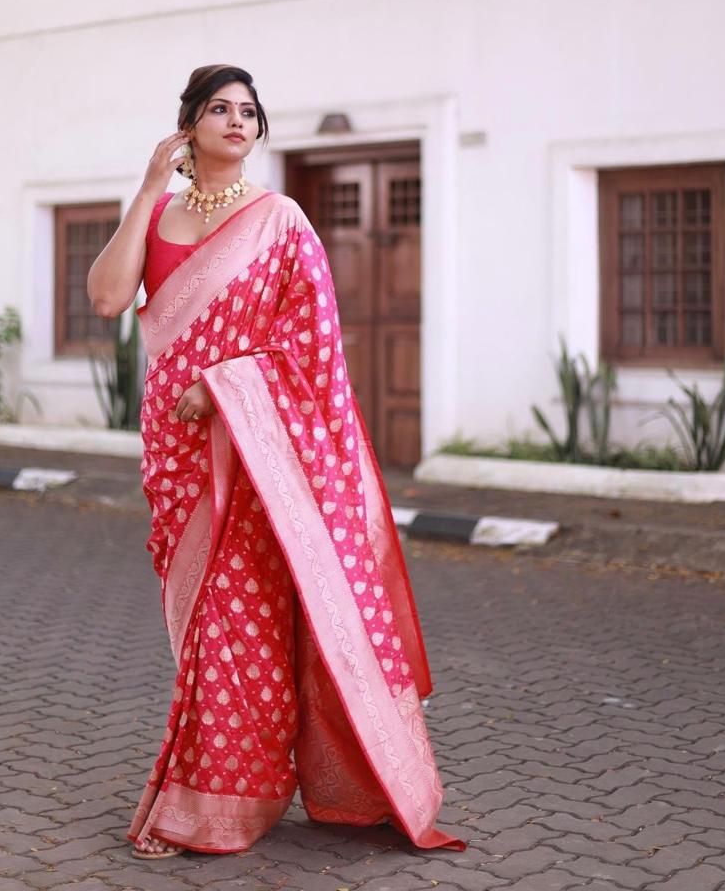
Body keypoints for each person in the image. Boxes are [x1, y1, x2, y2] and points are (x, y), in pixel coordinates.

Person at [87, 64, 467, 860]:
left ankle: (209, 804)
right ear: (189, 125)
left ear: (260, 130)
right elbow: (107, 299)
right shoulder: (159, 212)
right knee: (199, 625)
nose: (236, 121)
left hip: (255, 449)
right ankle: (236, 791)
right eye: (218, 110)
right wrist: (148, 186)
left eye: (248, 112)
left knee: (238, 621)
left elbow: (311, 340)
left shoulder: (280, 219)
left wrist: (225, 385)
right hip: (176, 447)